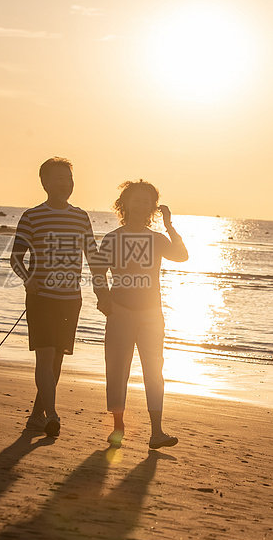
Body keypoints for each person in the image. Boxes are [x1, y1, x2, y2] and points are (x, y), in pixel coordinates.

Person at [10, 157, 101, 437]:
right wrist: (28, 280)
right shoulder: (32, 216)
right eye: (59, 178)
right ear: (45, 183)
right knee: (45, 357)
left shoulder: (80, 216)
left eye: (69, 178)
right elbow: (15, 258)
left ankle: (37, 416)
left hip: (71, 298)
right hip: (41, 299)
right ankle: (52, 415)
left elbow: (93, 255)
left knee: (57, 359)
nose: (66, 183)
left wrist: (104, 289)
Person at [95, 179, 188, 450]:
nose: (141, 205)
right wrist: (103, 298)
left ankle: (156, 432)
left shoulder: (157, 239)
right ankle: (118, 427)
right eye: (136, 200)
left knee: (154, 371)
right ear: (124, 204)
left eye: (146, 201)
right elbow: (99, 272)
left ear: (152, 208)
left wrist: (169, 225)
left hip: (151, 313)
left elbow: (182, 255)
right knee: (117, 370)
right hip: (120, 311)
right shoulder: (112, 238)